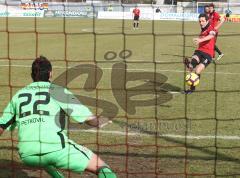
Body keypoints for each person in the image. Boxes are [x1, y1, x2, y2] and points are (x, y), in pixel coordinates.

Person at [0, 56, 117, 178]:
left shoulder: (18, 95)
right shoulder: (58, 91)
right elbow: (88, 119)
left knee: (44, 158)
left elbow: (2, 125)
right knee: (101, 167)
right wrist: (101, 120)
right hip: (56, 149)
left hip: (28, 154)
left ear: (32, 75)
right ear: (50, 74)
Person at [183, 13, 217, 94]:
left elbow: (211, 35)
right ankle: (189, 65)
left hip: (208, 55)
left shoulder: (210, 28)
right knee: (191, 67)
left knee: (197, 70)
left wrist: (200, 40)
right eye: (199, 21)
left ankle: (192, 89)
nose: (201, 23)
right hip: (199, 51)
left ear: (207, 21)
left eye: (203, 21)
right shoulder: (203, 29)